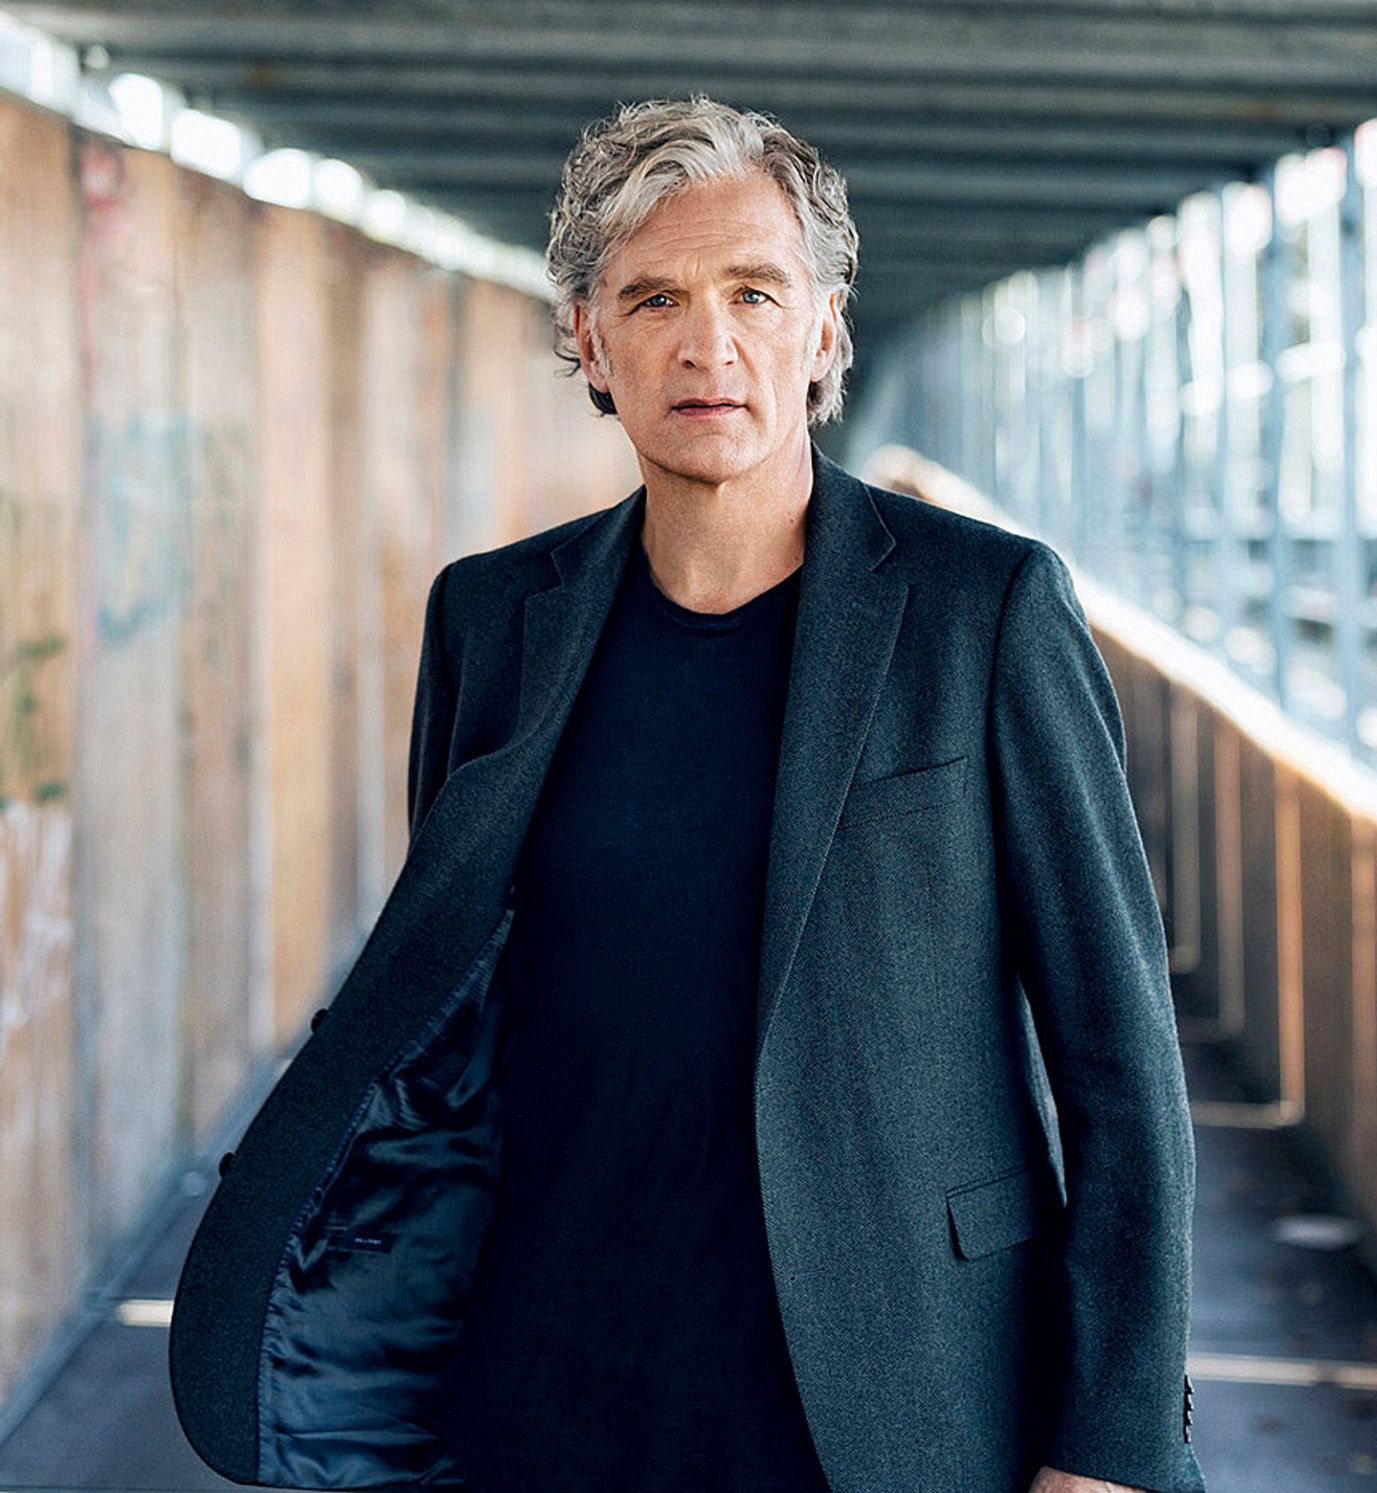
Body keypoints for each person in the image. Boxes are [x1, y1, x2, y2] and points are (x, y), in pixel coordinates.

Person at [169, 95, 1202, 1493]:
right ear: (590, 340)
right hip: (550, 1385)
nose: (709, 343)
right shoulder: (492, 622)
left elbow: (1118, 1056)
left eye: (754, 294)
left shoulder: (986, 612)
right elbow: (448, 1013)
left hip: (898, 1389)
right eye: (653, 296)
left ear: (824, 332)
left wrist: (1116, 1444)